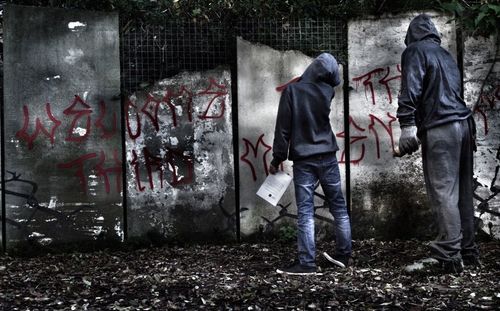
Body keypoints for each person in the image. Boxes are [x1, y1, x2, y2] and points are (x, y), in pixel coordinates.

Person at [396, 14, 480, 274]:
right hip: (465, 125)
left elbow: (411, 87)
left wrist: (407, 124)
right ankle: (469, 252)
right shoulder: (445, 55)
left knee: (443, 192)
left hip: (441, 127)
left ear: (411, 35)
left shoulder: (414, 51)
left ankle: (449, 257)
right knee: (463, 192)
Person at [269, 53, 352, 275]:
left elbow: (283, 129)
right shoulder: (328, 92)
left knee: (305, 211)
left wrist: (277, 158)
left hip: (304, 159)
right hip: (328, 155)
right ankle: (344, 255)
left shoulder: (292, 92)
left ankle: (307, 263)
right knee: (339, 207)